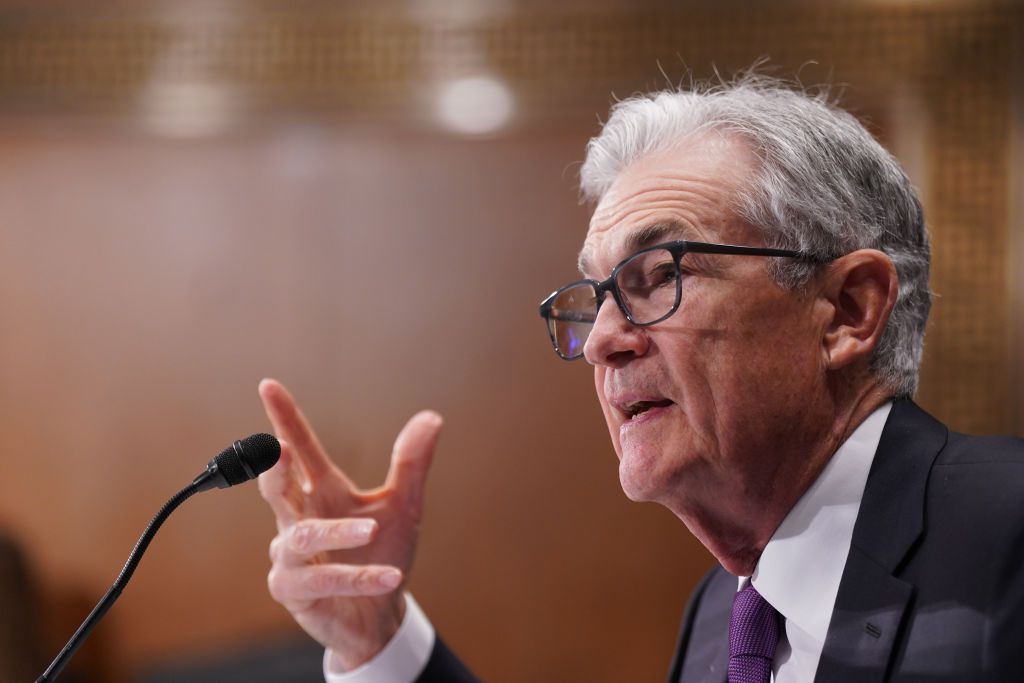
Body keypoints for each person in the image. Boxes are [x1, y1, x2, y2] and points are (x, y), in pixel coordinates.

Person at [255, 73, 1024, 682]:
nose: (603, 342)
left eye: (659, 275)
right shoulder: (724, 616)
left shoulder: (1007, 531)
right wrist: (378, 641)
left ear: (848, 309)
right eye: (596, 296)